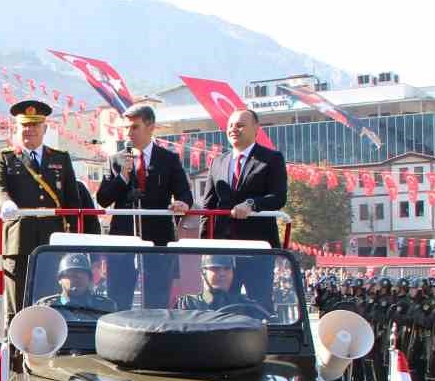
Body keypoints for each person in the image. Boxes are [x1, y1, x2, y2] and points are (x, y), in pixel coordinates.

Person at [0, 100, 85, 319]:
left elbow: (73, 200)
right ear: (17, 128)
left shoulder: (60, 158)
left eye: (34, 125)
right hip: (18, 241)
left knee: (52, 303)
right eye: (24, 125)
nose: (29, 130)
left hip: (52, 241)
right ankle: (16, 352)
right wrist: (5, 202)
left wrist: (76, 241)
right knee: (19, 307)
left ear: (45, 128)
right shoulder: (6, 157)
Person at [96, 104, 187, 309]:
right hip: (124, 238)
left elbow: (184, 191)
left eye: (134, 127)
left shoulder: (168, 159)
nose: (129, 133)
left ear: (150, 127)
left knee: (157, 301)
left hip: (158, 237)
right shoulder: (116, 159)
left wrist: (182, 202)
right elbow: (102, 198)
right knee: (119, 300)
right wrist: (122, 177)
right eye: (126, 128)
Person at [202, 109, 288, 308]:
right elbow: (208, 207)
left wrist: (252, 204)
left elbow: (278, 197)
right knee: (219, 306)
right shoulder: (218, 162)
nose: (234, 129)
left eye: (240, 125)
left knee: (260, 303)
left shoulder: (271, 158)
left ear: (256, 128)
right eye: (230, 125)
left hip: (256, 248)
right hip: (223, 251)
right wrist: (205, 247)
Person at [174, 255, 260, 315]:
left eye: (227, 269)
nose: (222, 273)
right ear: (203, 273)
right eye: (215, 268)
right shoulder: (188, 304)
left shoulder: (245, 305)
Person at [38, 252, 115, 313]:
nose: (76, 279)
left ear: (90, 279)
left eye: (81, 274)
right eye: (70, 274)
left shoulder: (105, 306)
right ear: (60, 279)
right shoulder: (46, 306)